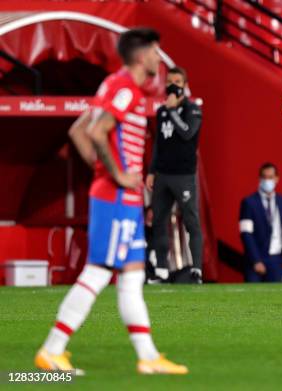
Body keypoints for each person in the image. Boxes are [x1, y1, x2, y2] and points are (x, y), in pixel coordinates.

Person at [35, 28, 187, 375]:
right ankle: (52, 349)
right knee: (99, 271)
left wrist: (105, 169)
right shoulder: (125, 88)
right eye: (154, 52)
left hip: (124, 198)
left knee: (132, 277)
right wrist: (115, 175)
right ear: (140, 55)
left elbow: (78, 130)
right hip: (117, 197)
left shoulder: (114, 84)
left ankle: (148, 357)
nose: (157, 59)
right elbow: (95, 131)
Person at [146, 67, 203, 283]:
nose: (172, 85)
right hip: (163, 175)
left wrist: (172, 110)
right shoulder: (161, 112)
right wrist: (152, 171)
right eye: (169, 81)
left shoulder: (193, 109)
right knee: (159, 221)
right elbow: (158, 144)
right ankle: (161, 271)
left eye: (177, 81)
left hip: (184, 175)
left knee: (191, 221)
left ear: (184, 85)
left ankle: (196, 270)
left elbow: (188, 132)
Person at [239, 163, 282, 282]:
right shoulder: (249, 203)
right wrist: (256, 260)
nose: (267, 180)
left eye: (270, 177)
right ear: (260, 179)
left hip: (276, 261)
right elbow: (246, 234)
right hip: (256, 260)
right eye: (264, 177)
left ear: (276, 179)